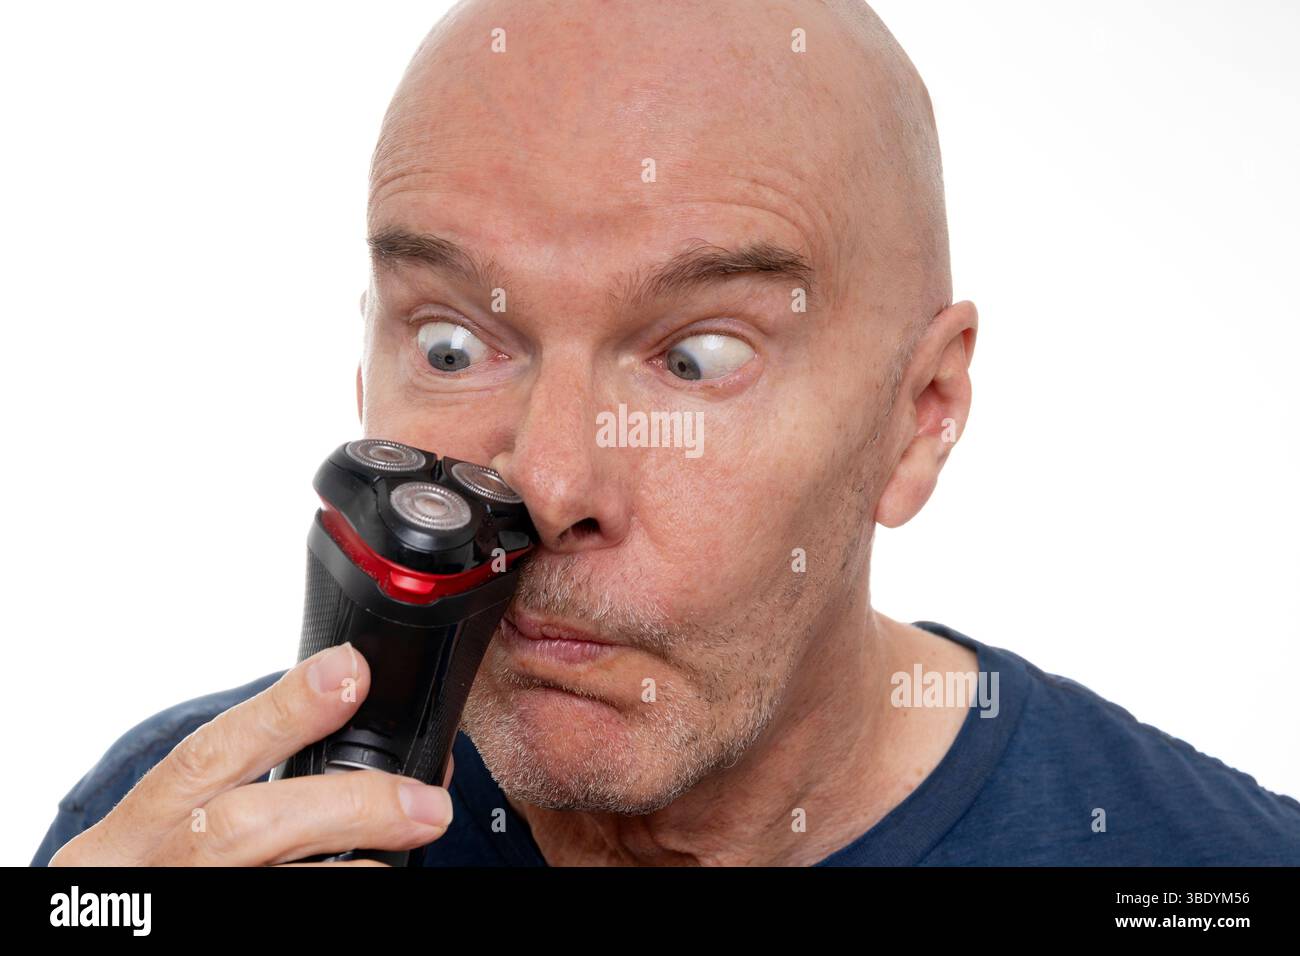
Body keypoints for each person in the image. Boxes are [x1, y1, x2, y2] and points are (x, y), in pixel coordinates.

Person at [33, 0, 1300, 867]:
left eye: (694, 358)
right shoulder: (160, 840)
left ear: (922, 418)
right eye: (452, 344)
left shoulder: (1202, 869)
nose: (547, 475)